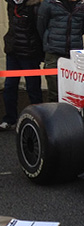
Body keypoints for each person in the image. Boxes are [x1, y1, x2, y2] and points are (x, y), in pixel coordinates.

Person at [37, 0, 84, 102]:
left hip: (74, 52)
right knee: (54, 89)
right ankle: (54, 111)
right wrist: (50, 41)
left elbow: (83, 27)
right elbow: (41, 26)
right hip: (53, 51)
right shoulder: (49, 3)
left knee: (73, 90)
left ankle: (72, 112)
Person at [1, 0, 43, 131]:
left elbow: (40, 28)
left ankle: (38, 119)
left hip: (30, 52)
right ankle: (10, 119)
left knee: (33, 87)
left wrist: (38, 50)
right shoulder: (11, 4)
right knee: (9, 86)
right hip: (13, 51)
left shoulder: (35, 6)